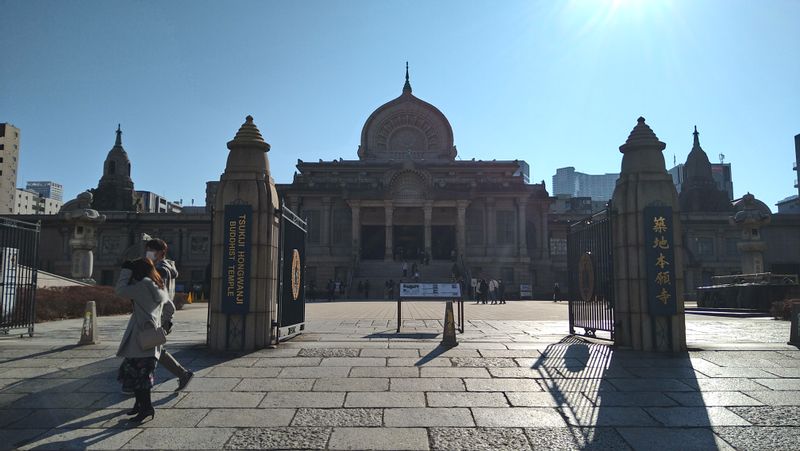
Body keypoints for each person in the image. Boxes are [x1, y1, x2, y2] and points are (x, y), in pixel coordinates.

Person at [115, 258, 169, 423]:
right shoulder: (157, 284)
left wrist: (125, 272)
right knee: (136, 373)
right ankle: (140, 405)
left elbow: (120, 291)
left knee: (140, 376)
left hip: (141, 339)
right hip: (149, 337)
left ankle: (146, 408)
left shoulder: (143, 286)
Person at [145, 239, 193, 392]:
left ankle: (137, 383)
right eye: (148, 249)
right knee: (151, 347)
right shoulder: (163, 267)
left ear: (161, 253)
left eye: (152, 250)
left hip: (157, 316)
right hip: (158, 315)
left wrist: (166, 319)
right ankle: (182, 374)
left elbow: (160, 296)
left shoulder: (161, 269)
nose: (149, 253)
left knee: (149, 348)